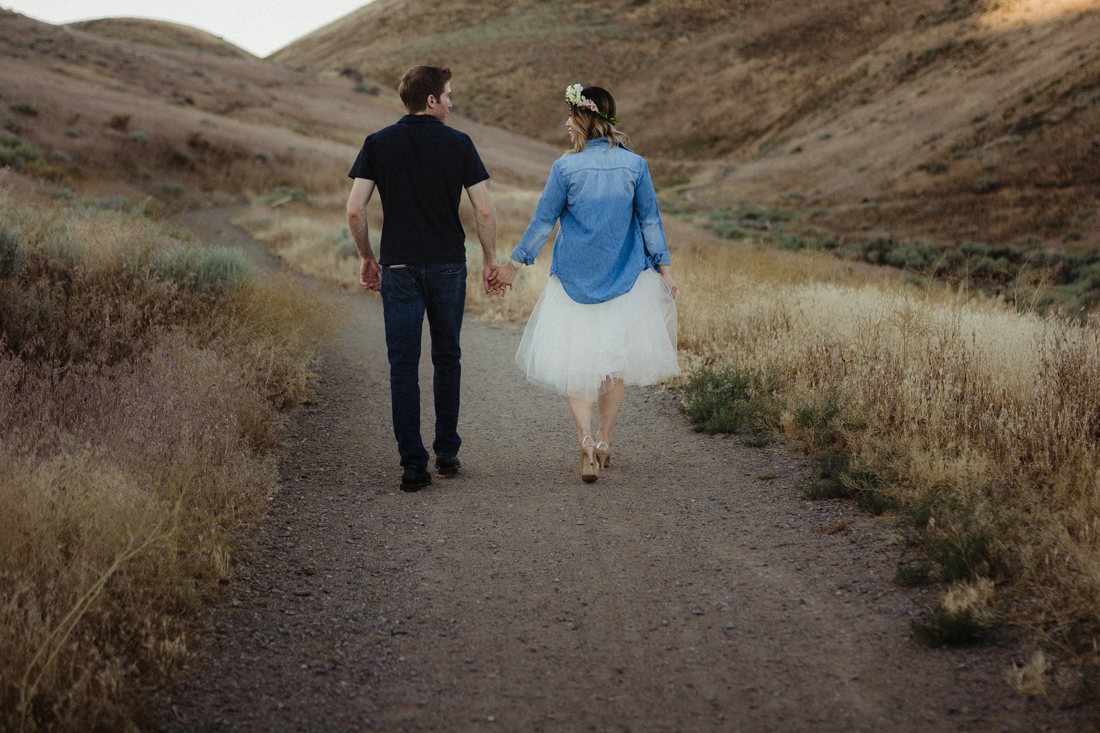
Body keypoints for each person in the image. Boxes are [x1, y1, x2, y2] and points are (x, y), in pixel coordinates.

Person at [490, 84, 679, 483]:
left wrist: (512, 266)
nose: (565, 123)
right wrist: (664, 271)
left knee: (576, 362)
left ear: (583, 118)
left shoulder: (565, 168)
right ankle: (606, 439)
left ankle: (585, 440)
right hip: (625, 278)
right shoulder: (635, 165)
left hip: (574, 281)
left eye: (569, 115)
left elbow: (543, 222)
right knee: (614, 360)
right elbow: (650, 221)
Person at [346, 65, 498, 493]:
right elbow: (484, 210)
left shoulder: (377, 143)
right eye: (448, 95)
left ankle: (413, 464)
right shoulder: (459, 143)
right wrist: (489, 259)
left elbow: (355, 209)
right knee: (447, 356)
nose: (451, 102)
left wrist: (366, 257)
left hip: (397, 269)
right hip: (448, 265)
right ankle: (446, 452)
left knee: (403, 365)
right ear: (431, 100)